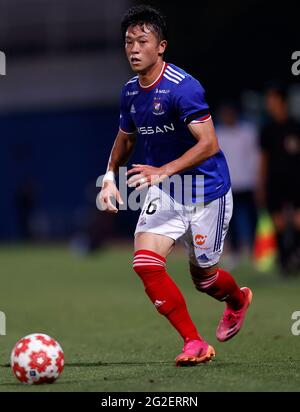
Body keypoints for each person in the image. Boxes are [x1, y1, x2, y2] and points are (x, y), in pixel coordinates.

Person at [98, 5, 252, 366]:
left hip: (207, 193)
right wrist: (109, 177)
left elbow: (210, 144)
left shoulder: (183, 88)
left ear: (161, 46)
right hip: (166, 191)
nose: (134, 49)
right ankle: (194, 342)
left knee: (205, 279)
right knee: (145, 263)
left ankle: (237, 299)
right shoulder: (130, 92)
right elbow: (125, 138)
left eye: (142, 41)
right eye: (128, 42)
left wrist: (163, 170)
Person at [258, 85, 300, 274]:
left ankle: (296, 255)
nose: (269, 105)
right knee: (279, 223)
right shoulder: (267, 130)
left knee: (298, 221)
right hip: (275, 182)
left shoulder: (296, 126)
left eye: (272, 100)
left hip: (296, 181)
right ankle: (284, 260)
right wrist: (261, 183)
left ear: (282, 102)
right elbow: (264, 159)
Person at [216, 103, 258, 265]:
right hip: (228, 184)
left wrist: (257, 179)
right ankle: (235, 251)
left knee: (252, 217)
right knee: (230, 220)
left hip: (248, 182)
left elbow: (255, 156)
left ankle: (255, 250)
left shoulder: (248, 132)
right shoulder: (218, 133)